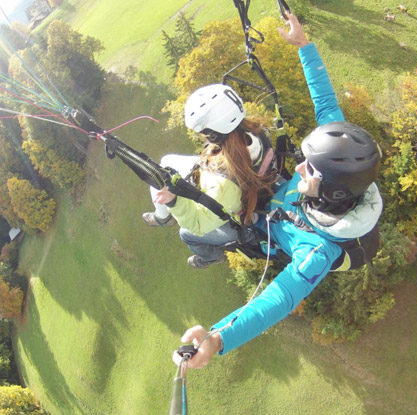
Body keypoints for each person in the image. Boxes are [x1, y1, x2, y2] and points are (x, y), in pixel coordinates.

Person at [173, 13, 383, 368]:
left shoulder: (317, 253)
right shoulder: (342, 170)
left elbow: (277, 301)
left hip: (266, 229)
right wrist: (305, 46)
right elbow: (328, 107)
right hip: (285, 207)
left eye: (309, 170)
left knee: (189, 231)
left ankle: (210, 252)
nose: (299, 166)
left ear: (330, 193)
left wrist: (217, 339)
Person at [142, 84, 277, 269]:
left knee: (186, 234)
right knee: (166, 162)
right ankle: (162, 216)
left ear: (213, 134)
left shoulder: (223, 184)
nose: (202, 138)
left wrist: (174, 201)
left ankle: (211, 257)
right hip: (233, 185)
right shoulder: (254, 131)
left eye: (203, 134)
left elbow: (197, 224)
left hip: (237, 215)